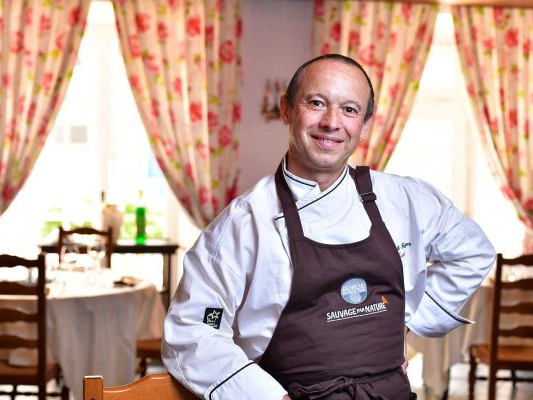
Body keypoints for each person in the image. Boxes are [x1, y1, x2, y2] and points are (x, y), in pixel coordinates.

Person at [162, 54, 495, 400]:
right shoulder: (242, 224)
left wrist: (407, 323)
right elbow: (193, 330)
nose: (332, 122)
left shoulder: (404, 199)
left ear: (365, 127)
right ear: (287, 110)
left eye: (350, 110)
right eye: (316, 103)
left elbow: (473, 252)